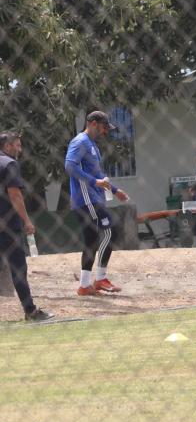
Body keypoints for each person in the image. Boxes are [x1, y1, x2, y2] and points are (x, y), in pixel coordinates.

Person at [66, 111, 131, 295]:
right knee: (112, 230)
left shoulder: (92, 145)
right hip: (86, 199)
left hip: (94, 197)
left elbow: (98, 174)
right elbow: (70, 166)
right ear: (93, 123)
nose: (105, 132)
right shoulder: (80, 142)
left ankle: (84, 285)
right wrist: (95, 183)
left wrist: (115, 190)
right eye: (103, 127)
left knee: (91, 240)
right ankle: (100, 278)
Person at [0, 133, 52, 322]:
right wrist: (27, 221)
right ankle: (30, 311)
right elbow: (15, 195)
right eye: (17, 146)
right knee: (18, 269)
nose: (20, 150)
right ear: (7, 146)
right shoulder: (9, 164)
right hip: (7, 227)